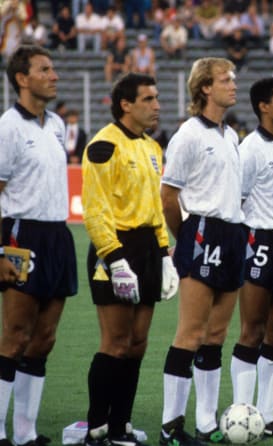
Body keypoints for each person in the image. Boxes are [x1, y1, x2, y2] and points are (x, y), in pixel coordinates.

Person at [82, 72, 179, 446]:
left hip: (147, 251)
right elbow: (95, 210)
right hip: (115, 250)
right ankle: (96, 428)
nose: (157, 106)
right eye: (149, 99)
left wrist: (164, 255)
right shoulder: (104, 145)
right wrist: (115, 259)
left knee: (138, 343)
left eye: (156, 98)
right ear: (126, 104)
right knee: (116, 342)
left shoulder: (153, 149)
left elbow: (155, 210)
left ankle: (121, 426)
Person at [159, 57, 244, 445]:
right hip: (202, 232)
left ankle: (207, 424)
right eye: (226, 79)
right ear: (205, 88)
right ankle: (171, 425)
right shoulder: (189, 134)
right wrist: (187, 237)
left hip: (232, 234)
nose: (233, 84)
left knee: (217, 334)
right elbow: (167, 196)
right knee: (190, 332)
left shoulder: (230, 136)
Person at [0, 44, 77, 446]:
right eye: (45, 69)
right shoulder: (7, 128)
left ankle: (25, 432)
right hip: (21, 235)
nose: (55, 75)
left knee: (44, 338)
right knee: (14, 335)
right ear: (22, 78)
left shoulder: (57, 125)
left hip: (57, 235)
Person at [229, 77, 273, 434]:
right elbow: (236, 200)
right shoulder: (250, 149)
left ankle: (269, 417)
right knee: (252, 330)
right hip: (259, 242)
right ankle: (242, 414)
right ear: (263, 106)